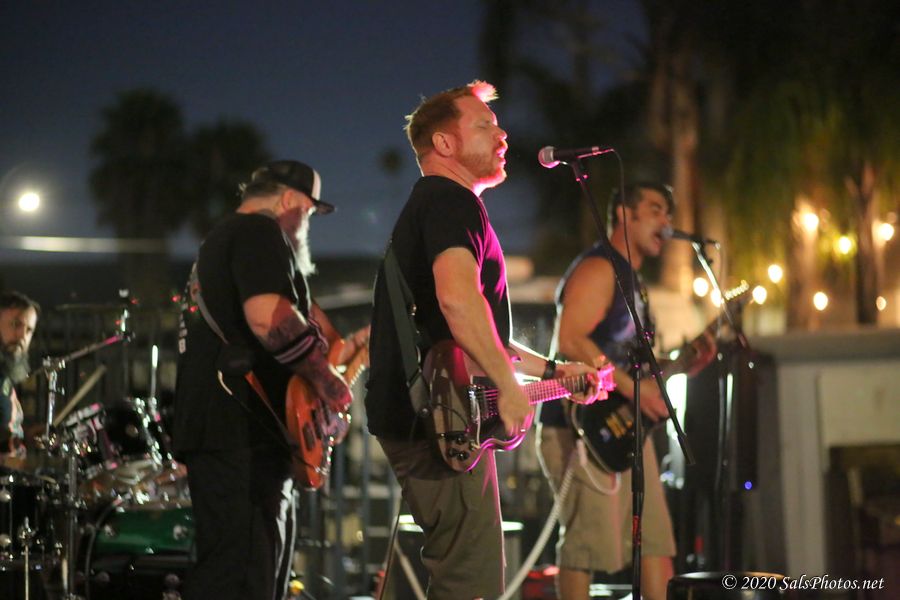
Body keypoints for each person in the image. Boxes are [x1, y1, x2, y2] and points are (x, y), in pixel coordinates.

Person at [365, 80, 604, 600]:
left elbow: (480, 335)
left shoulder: (437, 204)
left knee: (464, 574)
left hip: (434, 415)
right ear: (444, 144)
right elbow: (458, 301)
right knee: (470, 582)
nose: (502, 134)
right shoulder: (449, 201)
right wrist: (508, 386)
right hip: (435, 421)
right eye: (484, 125)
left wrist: (556, 374)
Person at [173, 160, 366, 600]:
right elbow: (269, 318)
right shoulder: (260, 231)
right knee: (244, 578)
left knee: (243, 569)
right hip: (242, 431)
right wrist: (329, 385)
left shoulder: (223, 239)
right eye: (309, 213)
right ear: (290, 200)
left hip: (228, 430)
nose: (307, 225)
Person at [537, 182, 717, 600]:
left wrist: (684, 363)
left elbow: (630, 360)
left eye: (668, 213)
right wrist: (635, 390)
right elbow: (571, 338)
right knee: (586, 544)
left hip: (624, 427)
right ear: (623, 214)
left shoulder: (633, 280)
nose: (666, 222)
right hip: (581, 428)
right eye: (655, 210)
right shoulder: (599, 268)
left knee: (655, 542)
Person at [0, 291, 40, 459]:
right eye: (16, 324)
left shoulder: (5, 377)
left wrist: (28, 436)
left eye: (29, 330)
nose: (22, 336)